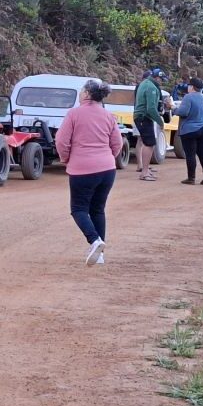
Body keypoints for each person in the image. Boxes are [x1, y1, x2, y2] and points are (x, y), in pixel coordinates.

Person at [55, 79, 124, 267]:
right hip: (107, 169)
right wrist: (108, 157)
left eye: (81, 91)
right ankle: (100, 255)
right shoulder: (109, 116)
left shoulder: (74, 114)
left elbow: (61, 141)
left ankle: (95, 241)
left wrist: (65, 158)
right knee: (97, 209)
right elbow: (117, 143)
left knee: (78, 209)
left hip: (82, 168)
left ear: (86, 94)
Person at [174, 78, 203, 185]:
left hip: (189, 129)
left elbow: (184, 112)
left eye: (189, 86)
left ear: (192, 87)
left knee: (190, 154)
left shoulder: (188, 97)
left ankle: (191, 178)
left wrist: (173, 108)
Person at [134, 68, 167, 181]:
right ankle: (144, 172)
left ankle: (145, 170)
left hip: (140, 116)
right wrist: (159, 121)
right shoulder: (151, 87)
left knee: (147, 142)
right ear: (157, 77)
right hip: (144, 117)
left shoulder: (145, 83)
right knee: (149, 143)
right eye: (161, 79)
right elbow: (151, 108)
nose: (161, 82)